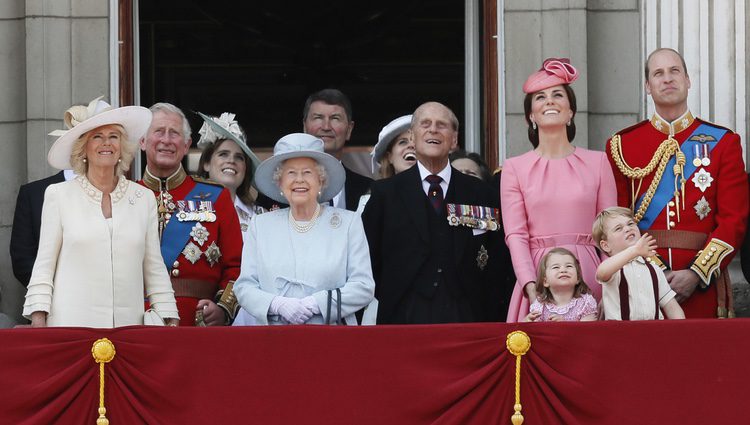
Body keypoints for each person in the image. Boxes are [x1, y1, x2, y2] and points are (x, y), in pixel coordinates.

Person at [606, 48, 748, 318]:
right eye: (658, 73)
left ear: (688, 80)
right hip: (643, 280)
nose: (667, 78)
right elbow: (618, 218)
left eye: (674, 71)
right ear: (648, 86)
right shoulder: (622, 145)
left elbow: (734, 219)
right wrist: (656, 271)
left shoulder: (724, 142)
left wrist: (696, 273)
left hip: (703, 285)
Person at [23, 98, 179, 327]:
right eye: (97, 136)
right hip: (70, 329)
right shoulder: (59, 195)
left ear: (122, 146)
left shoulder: (143, 198)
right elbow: (43, 268)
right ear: (84, 147)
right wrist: (39, 323)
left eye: (113, 136)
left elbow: (154, 268)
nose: (106, 143)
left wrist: (170, 318)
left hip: (128, 332)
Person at [362, 101, 508, 323]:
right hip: (403, 316)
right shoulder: (385, 194)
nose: (433, 130)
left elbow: (497, 257)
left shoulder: (481, 193)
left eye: (442, 125)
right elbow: (368, 259)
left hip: (469, 315)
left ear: (454, 140)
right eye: (425, 124)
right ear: (412, 137)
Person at [502, 58, 617, 323]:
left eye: (557, 94)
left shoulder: (598, 162)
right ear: (531, 115)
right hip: (539, 275)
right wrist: (532, 289)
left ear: (571, 111)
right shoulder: (514, 168)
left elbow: (609, 232)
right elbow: (516, 235)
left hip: (592, 272)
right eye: (540, 97)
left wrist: (613, 284)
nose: (549, 101)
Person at [233, 133, 375, 325]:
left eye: (308, 172)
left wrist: (316, 304)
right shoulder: (260, 225)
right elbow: (244, 287)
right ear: (280, 183)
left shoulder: (348, 223)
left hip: (331, 337)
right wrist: (277, 304)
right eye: (291, 173)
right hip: (273, 338)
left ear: (321, 181)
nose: (299, 179)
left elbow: (363, 287)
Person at [139, 102, 243, 326]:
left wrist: (223, 308)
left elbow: (237, 266)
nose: (167, 140)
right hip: (135, 320)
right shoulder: (126, 195)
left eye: (174, 133)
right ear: (142, 141)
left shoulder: (216, 197)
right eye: (159, 131)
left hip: (196, 324)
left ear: (186, 145)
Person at [593, 207, 685, 320]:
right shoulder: (613, 269)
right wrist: (635, 250)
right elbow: (601, 272)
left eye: (630, 223)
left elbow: (671, 307)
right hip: (620, 334)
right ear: (605, 245)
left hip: (653, 333)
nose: (627, 229)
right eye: (618, 228)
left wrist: (682, 332)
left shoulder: (654, 269)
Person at [196, 111, 264, 239]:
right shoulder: (187, 207)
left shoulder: (260, 216)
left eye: (239, 157)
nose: (231, 161)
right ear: (206, 163)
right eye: (223, 154)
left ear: (245, 169)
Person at [524, 248, 597, 322]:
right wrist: (527, 322)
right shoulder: (540, 305)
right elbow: (536, 331)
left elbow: (588, 330)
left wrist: (565, 325)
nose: (563, 270)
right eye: (556, 267)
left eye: (569, 266)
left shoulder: (586, 303)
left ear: (578, 278)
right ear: (545, 281)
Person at [371, 114, 415, 179]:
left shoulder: (434, 188)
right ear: (389, 157)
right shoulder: (376, 189)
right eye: (403, 142)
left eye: (417, 142)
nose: (411, 145)